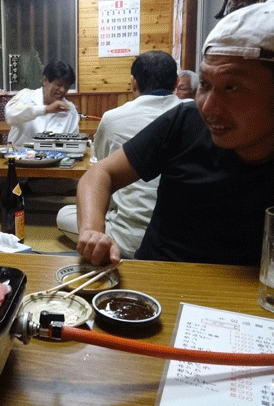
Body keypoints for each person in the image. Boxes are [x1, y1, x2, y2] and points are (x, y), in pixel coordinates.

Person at [76, 0, 274, 267]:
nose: (208, 106)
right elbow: (100, 173)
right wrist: (92, 231)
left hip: (257, 301)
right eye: (204, 84)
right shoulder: (185, 121)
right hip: (157, 283)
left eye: (232, 88)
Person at [57, 51, 184, 258]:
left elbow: (100, 169)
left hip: (128, 242)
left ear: (133, 83)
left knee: (67, 213)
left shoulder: (114, 118)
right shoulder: (191, 115)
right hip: (178, 244)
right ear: (177, 82)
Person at [0, 60, 79, 195]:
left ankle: (20, 189)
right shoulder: (26, 95)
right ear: (45, 80)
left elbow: (73, 143)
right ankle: (31, 188)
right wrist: (45, 109)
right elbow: (10, 115)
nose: (63, 90)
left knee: (75, 179)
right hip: (18, 165)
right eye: (59, 84)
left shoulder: (70, 109)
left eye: (66, 87)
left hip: (50, 169)